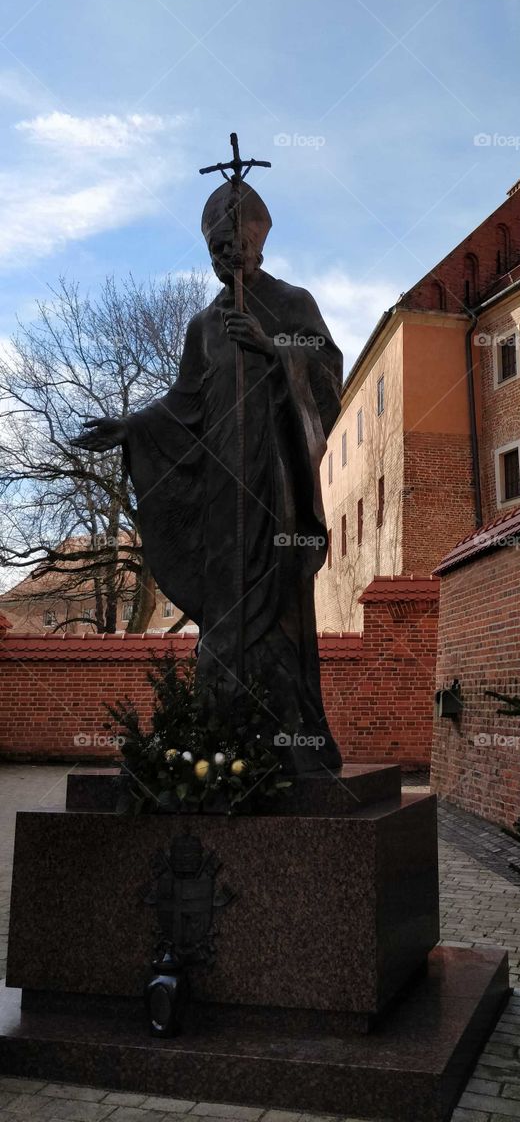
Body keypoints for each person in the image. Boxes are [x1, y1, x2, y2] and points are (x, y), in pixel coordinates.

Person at [72, 179, 342, 772]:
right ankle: (219, 739)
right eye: (214, 248)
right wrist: (132, 428)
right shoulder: (203, 326)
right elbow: (185, 403)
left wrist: (274, 351)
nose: (224, 256)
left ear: (256, 241)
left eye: (233, 244)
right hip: (222, 487)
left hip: (274, 483)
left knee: (278, 603)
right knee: (225, 608)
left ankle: (288, 742)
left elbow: (327, 378)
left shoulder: (292, 303)